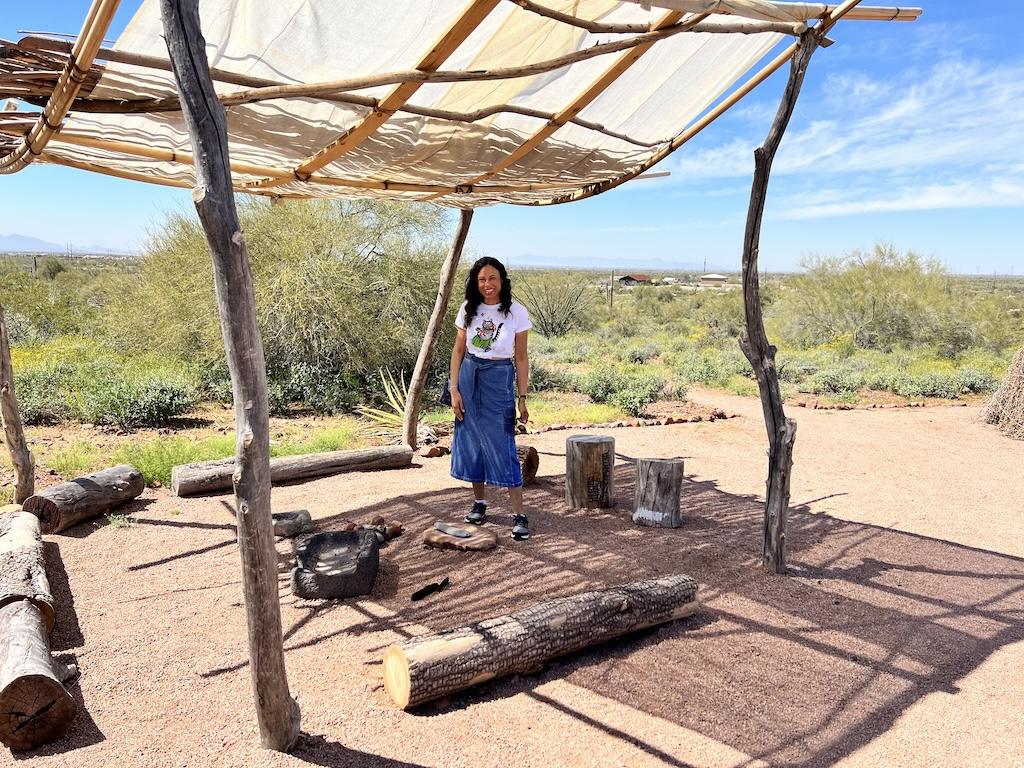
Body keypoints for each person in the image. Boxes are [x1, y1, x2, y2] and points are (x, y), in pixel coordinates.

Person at [448, 257, 532, 540]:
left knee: (503, 441)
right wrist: (454, 389)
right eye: (482, 279)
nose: (487, 285)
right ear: (476, 282)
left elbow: (521, 357)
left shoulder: (516, 313)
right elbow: (458, 352)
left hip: (499, 378)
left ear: (502, 280)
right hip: (469, 376)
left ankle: (519, 514)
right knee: (471, 441)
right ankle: (480, 504)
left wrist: (522, 397)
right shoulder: (468, 309)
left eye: (492, 278)